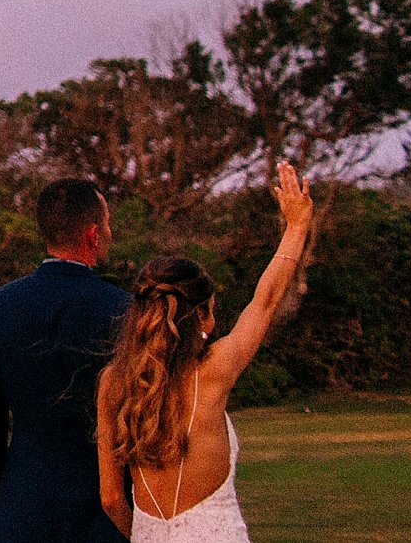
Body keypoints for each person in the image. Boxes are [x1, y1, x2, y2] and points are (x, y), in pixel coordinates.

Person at [94, 164, 314, 542]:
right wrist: (296, 228)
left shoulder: (114, 382)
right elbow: (265, 301)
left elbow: (112, 497)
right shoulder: (214, 369)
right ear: (203, 317)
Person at [0, 178, 132, 543]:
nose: (109, 231)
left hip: (23, 502)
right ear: (92, 234)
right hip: (107, 506)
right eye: (106, 224)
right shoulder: (124, 310)